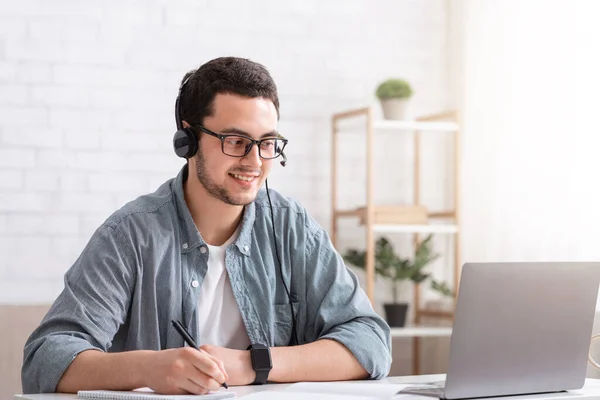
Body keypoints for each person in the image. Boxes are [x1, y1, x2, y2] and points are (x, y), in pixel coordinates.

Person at [22, 57, 392, 394]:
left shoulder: (291, 227)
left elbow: (370, 341)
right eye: (235, 141)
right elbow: (46, 358)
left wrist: (253, 365)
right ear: (188, 139)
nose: (255, 161)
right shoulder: (131, 234)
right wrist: (148, 369)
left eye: (267, 143)